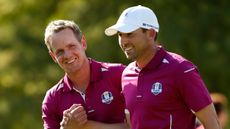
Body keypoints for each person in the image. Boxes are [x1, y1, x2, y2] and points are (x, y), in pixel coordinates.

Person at [105, 5, 221, 129]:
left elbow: (212, 123)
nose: (123, 41)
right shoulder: (126, 74)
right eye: (120, 35)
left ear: (151, 33)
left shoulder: (180, 69)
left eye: (129, 34)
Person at [42, 19, 128, 129]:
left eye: (71, 46)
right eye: (60, 52)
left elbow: (139, 124)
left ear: (83, 43)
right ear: (53, 57)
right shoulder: (52, 98)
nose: (67, 55)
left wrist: (86, 126)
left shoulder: (119, 74)